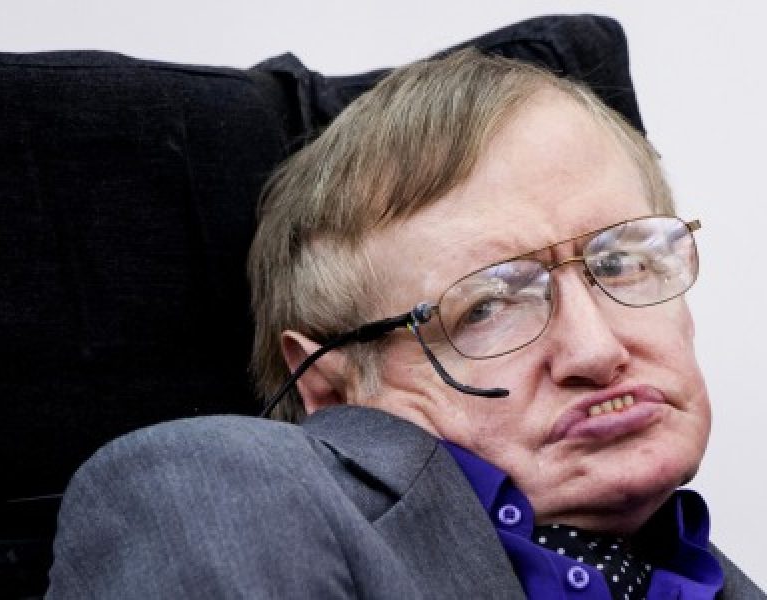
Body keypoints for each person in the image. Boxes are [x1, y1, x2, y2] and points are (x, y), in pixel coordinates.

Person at [46, 49, 765, 598]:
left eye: (621, 262)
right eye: (487, 305)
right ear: (332, 388)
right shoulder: (212, 489)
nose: (596, 350)